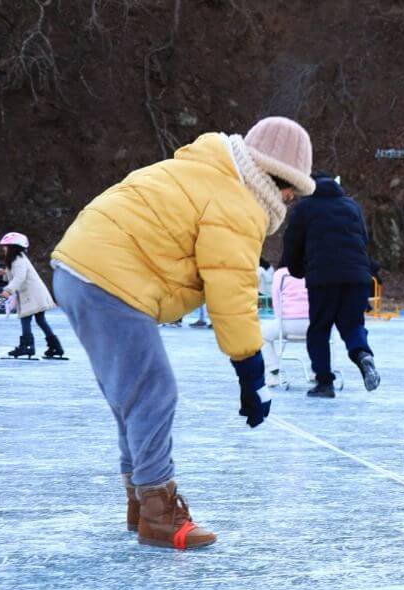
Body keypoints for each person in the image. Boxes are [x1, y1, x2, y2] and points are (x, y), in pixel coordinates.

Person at [51, 116, 315, 549]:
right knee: (153, 393)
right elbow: (231, 290)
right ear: (279, 180)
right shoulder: (238, 202)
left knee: (132, 396)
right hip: (109, 277)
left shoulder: (204, 168)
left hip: (77, 268)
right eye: (293, 191)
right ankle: (158, 511)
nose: (290, 201)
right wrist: (251, 373)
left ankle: (141, 502)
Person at [281, 172, 380, 398]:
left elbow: (292, 242)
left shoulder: (305, 207)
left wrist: (297, 270)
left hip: (323, 278)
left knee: (319, 329)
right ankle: (363, 354)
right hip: (357, 277)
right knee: (352, 324)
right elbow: (364, 240)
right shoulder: (352, 206)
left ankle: (325, 383)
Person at [0, 232, 64, 359]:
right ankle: (55, 347)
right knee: (41, 320)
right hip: (35, 294)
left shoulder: (18, 260)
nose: (3, 249)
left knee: (26, 318)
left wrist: (8, 291)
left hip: (31, 295)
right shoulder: (17, 259)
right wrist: (5, 273)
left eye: (6, 246)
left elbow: (19, 278)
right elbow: (15, 275)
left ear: (13, 247)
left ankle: (27, 347)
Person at [261, 266, 309, 386]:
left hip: (287, 323)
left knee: (261, 334)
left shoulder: (281, 274)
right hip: (313, 323)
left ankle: (274, 371)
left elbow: (276, 300)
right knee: (323, 336)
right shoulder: (315, 269)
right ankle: (318, 371)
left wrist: (280, 319)